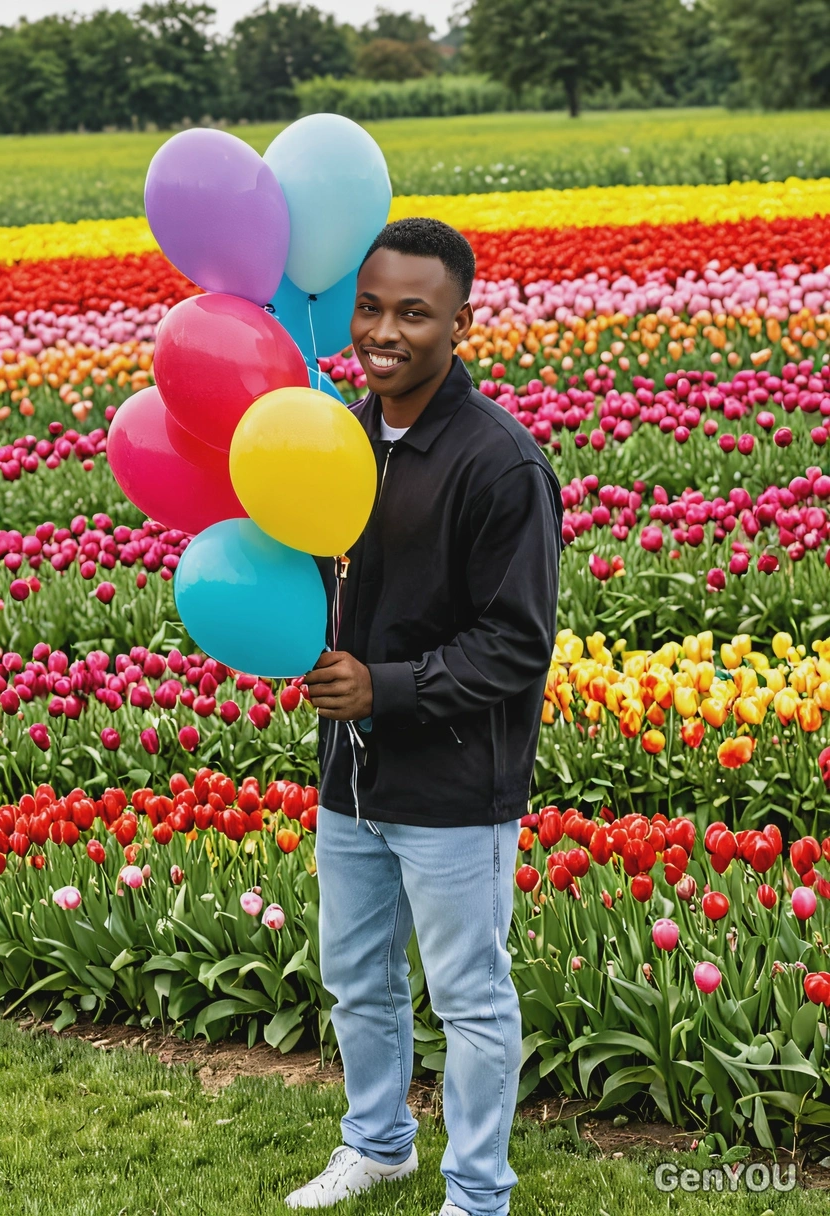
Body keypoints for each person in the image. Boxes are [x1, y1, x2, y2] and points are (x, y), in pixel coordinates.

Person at [283, 217, 563, 1216]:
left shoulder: (500, 464)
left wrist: (384, 687)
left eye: (413, 312)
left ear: (460, 323)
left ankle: (478, 1194)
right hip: (350, 777)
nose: (383, 331)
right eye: (369, 308)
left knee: (469, 999)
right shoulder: (335, 438)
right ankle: (378, 1145)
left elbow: (517, 643)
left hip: (452, 785)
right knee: (357, 980)